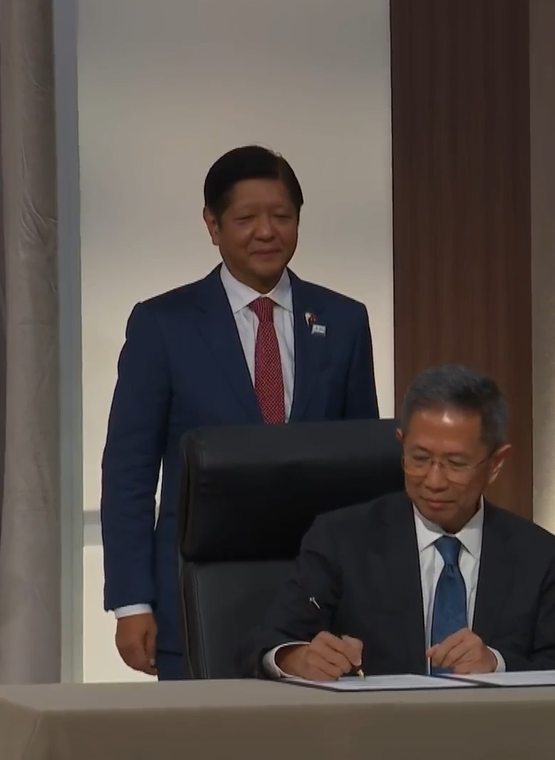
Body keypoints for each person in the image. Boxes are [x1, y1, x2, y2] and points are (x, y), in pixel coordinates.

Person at [100, 145, 380, 680]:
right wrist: (132, 602)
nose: (267, 232)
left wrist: (370, 592)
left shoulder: (344, 320)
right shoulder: (163, 324)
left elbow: (362, 471)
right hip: (193, 595)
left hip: (318, 603)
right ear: (213, 224)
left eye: (282, 216)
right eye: (247, 218)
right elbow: (128, 471)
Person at [245, 365, 555, 680]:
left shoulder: (538, 556)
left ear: (496, 463)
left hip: (493, 727)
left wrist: (498, 664)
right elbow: (268, 644)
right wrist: (295, 658)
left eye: (455, 464)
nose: (434, 481)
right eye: (420, 458)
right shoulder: (341, 539)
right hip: (376, 724)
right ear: (401, 445)